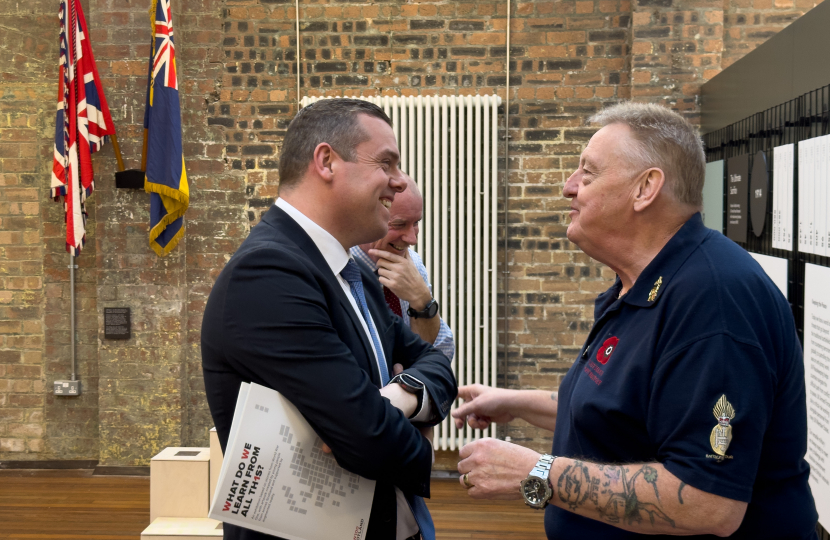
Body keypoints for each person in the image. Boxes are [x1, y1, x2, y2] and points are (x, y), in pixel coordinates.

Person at [452, 102, 818, 539]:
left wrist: (536, 471)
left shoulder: (712, 300)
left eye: (588, 173)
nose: (569, 187)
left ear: (645, 189)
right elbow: (628, 415)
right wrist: (515, 402)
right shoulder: (643, 285)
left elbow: (708, 503)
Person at [201, 98, 457, 540]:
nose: (398, 182)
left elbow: (433, 361)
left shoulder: (350, 269)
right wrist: (424, 446)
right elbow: (367, 437)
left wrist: (401, 396)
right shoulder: (267, 273)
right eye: (387, 163)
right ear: (326, 161)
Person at [350, 174, 455, 361]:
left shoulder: (412, 263)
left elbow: (443, 353)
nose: (412, 239)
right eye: (399, 224)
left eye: (416, 223)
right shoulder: (340, 269)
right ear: (364, 216)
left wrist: (423, 302)